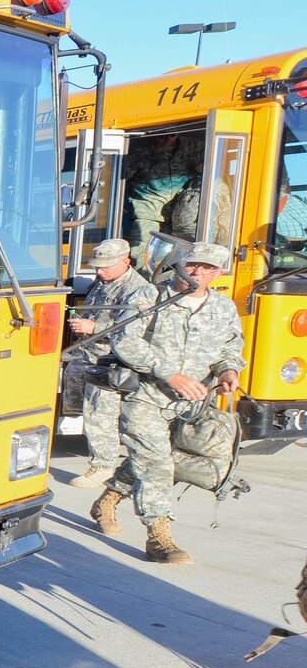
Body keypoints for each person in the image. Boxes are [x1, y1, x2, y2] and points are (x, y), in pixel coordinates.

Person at [90, 241, 246, 565]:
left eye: (208, 268)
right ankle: (159, 537)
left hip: (192, 405)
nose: (198, 273)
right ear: (178, 265)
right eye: (192, 265)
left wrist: (228, 371)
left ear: (218, 273)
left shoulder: (223, 308)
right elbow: (125, 341)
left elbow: (230, 348)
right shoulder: (150, 297)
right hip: (146, 396)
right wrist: (170, 375)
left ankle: (107, 500)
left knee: (158, 462)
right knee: (157, 464)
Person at [68, 238, 158, 492]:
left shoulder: (140, 290)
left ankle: (103, 465)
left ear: (125, 262)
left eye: (105, 266)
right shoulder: (103, 280)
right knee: (86, 408)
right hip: (87, 353)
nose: (99, 271)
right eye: (97, 266)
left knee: (100, 412)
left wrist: (94, 328)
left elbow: (132, 330)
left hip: (110, 360)